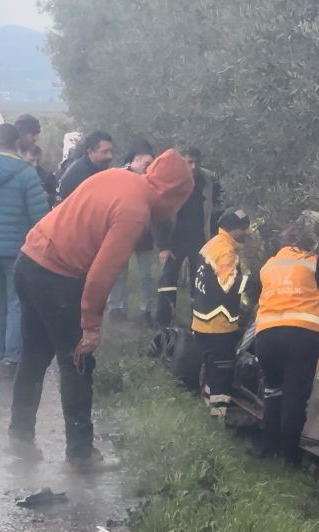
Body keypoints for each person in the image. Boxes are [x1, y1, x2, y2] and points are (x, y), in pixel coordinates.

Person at [10, 149, 193, 469]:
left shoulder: (116, 176)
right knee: (78, 362)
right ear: (171, 193)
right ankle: (80, 454)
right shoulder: (135, 211)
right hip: (57, 275)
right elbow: (102, 273)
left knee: (35, 354)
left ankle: (19, 436)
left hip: (29, 260)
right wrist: (90, 326)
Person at [254, 224, 319, 465]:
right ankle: (290, 457)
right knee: (295, 398)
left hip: (266, 336)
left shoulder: (268, 266)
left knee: (273, 390)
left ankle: (267, 448)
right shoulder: (312, 262)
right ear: (307, 244)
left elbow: (256, 295)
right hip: (301, 336)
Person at [0, 123, 51, 378]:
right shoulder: (26, 173)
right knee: (17, 302)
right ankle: (11, 359)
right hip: (17, 249)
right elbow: (40, 215)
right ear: (16, 143)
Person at [191, 209, 252, 421]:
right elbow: (228, 284)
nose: (246, 232)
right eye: (243, 229)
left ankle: (207, 410)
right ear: (232, 229)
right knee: (222, 371)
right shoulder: (226, 252)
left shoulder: (212, 244)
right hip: (219, 325)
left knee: (211, 369)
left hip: (202, 321)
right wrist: (253, 284)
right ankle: (217, 418)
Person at [154, 146, 222, 327]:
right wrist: (163, 247)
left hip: (200, 238)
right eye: (189, 162)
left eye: (196, 162)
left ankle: (198, 322)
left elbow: (217, 210)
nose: (193, 167)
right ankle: (164, 324)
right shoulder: (171, 179)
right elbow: (159, 214)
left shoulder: (209, 180)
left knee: (199, 281)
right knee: (168, 279)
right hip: (174, 239)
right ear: (181, 162)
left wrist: (216, 239)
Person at [107, 138, 157, 325]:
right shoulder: (118, 177)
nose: (149, 167)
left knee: (146, 275)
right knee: (119, 273)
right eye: (146, 163)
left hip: (144, 235)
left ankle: (146, 311)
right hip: (121, 234)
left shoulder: (151, 180)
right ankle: (116, 308)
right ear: (136, 159)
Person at [56, 130, 113, 200]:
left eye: (110, 151)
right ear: (90, 152)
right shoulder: (80, 175)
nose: (110, 156)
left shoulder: (94, 168)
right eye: (105, 152)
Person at [20, 143, 58, 207]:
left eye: (38, 161)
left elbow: (57, 198)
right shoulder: (15, 175)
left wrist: (47, 196)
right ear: (23, 157)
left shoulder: (47, 176)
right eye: (31, 160)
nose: (35, 164)